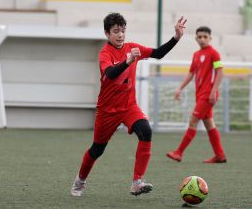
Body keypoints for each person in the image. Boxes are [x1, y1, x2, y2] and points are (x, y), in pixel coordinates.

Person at [70, 13, 187, 197]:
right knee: (97, 149)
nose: (120, 35)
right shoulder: (105, 53)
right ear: (107, 33)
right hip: (107, 111)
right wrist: (128, 61)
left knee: (146, 131)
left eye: (123, 30)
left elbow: (158, 53)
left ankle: (137, 182)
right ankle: (80, 180)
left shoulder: (132, 47)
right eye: (116, 31)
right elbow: (110, 74)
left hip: (129, 106)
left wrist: (176, 38)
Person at [166, 26, 226, 163]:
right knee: (209, 124)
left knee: (193, 121)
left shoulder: (214, 53)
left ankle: (178, 152)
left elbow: (220, 73)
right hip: (200, 95)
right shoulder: (196, 55)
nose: (202, 39)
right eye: (200, 37)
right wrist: (179, 88)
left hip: (207, 95)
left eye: (205, 37)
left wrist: (213, 91)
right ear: (196, 38)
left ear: (210, 38)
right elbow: (191, 73)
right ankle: (220, 155)